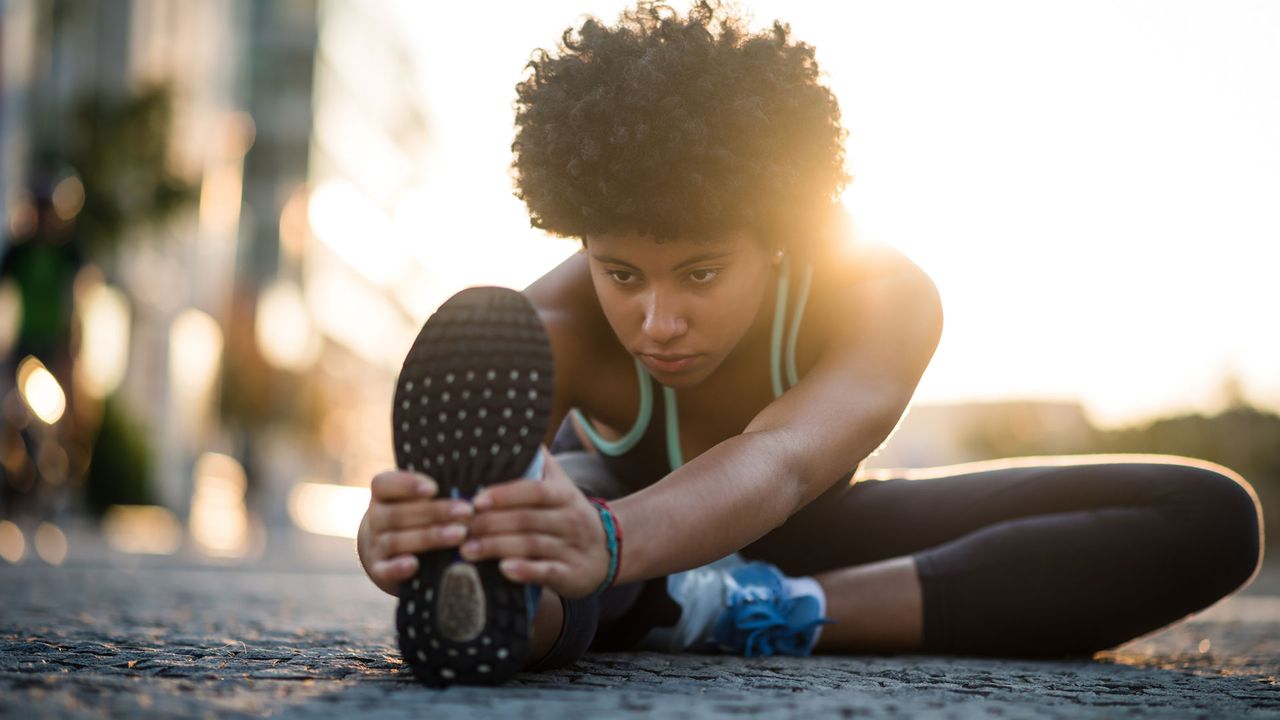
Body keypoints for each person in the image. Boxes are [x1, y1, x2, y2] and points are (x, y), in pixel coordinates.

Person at [356, 1, 1263, 687]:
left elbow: (784, 461)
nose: (657, 321)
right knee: (543, 529)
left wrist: (615, 539)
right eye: (620, 272)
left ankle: (744, 612)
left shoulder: (882, 295)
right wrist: (402, 535)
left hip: (796, 541)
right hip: (603, 533)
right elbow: (485, 506)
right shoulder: (545, 325)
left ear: (781, 234)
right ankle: (544, 610)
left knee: (1209, 515)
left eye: (702, 273)